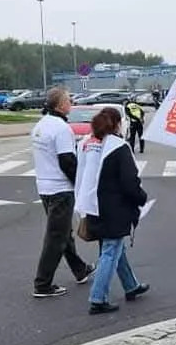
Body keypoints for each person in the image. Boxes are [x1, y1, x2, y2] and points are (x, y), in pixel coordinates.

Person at [75, 107, 150, 315]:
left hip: (91, 205)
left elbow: (79, 174)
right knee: (110, 249)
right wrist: (141, 198)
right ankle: (98, 298)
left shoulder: (85, 144)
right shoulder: (118, 146)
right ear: (117, 124)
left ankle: (131, 285)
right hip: (114, 207)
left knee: (115, 247)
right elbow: (129, 182)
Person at [32, 87, 95, 298]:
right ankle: (42, 283)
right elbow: (67, 161)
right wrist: (81, 184)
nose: (71, 102)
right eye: (69, 99)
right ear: (60, 105)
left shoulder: (41, 125)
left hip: (45, 186)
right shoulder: (61, 129)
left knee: (63, 232)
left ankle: (80, 269)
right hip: (60, 189)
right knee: (56, 236)